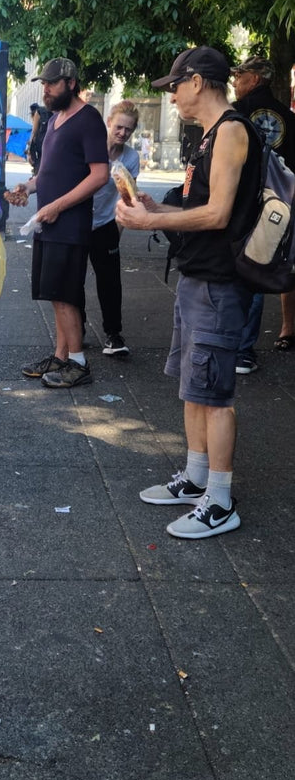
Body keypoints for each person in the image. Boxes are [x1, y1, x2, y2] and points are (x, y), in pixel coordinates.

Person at [117, 46, 260, 538]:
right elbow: (203, 206)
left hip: (220, 284)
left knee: (215, 395)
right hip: (198, 279)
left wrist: (149, 222)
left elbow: (218, 214)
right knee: (193, 386)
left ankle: (219, 500)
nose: (173, 96)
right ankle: (196, 478)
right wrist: (157, 209)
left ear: (197, 82)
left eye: (175, 86)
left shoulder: (233, 131)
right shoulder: (210, 135)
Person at [6, 58, 109, 388]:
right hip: (48, 222)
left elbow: (100, 175)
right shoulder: (53, 120)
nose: (46, 90)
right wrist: (28, 187)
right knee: (55, 292)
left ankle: (78, 363)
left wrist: (58, 206)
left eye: (52, 83)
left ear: (71, 83)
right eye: (44, 84)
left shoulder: (88, 119)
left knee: (65, 294)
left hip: (69, 224)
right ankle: (61, 356)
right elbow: (48, 172)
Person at [230, 55, 295, 368]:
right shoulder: (289, 117)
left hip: (243, 202)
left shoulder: (236, 113)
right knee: (260, 264)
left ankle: (235, 345)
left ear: (254, 79)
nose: (235, 82)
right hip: (279, 206)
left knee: (239, 268)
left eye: (239, 76)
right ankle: (245, 349)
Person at [87, 101, 140, 356]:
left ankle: (113, 335)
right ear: (109, 122)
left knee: (110, 282)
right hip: (78, 220)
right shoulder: (91, 146)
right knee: (72, 279)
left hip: (106, 223)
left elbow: (127, 197)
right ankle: (76, 329)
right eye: (119, 127)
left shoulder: (130, 158)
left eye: (128, 129)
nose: (122, 133)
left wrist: (117, 231)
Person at [26, 101, 51, 174]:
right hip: (52, 147)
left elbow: (33, 133)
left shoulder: (38, 113)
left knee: (39, 171)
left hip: (41, 149)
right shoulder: (53, 112)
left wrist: (29, 152)